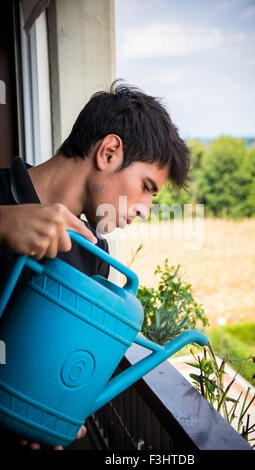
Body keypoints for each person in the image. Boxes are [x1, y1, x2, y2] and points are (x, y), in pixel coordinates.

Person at [0, 80, 190, 450]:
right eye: (146, 187)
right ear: (109, 152)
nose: (144, 211)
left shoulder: (93, 256)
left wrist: (47, 415)